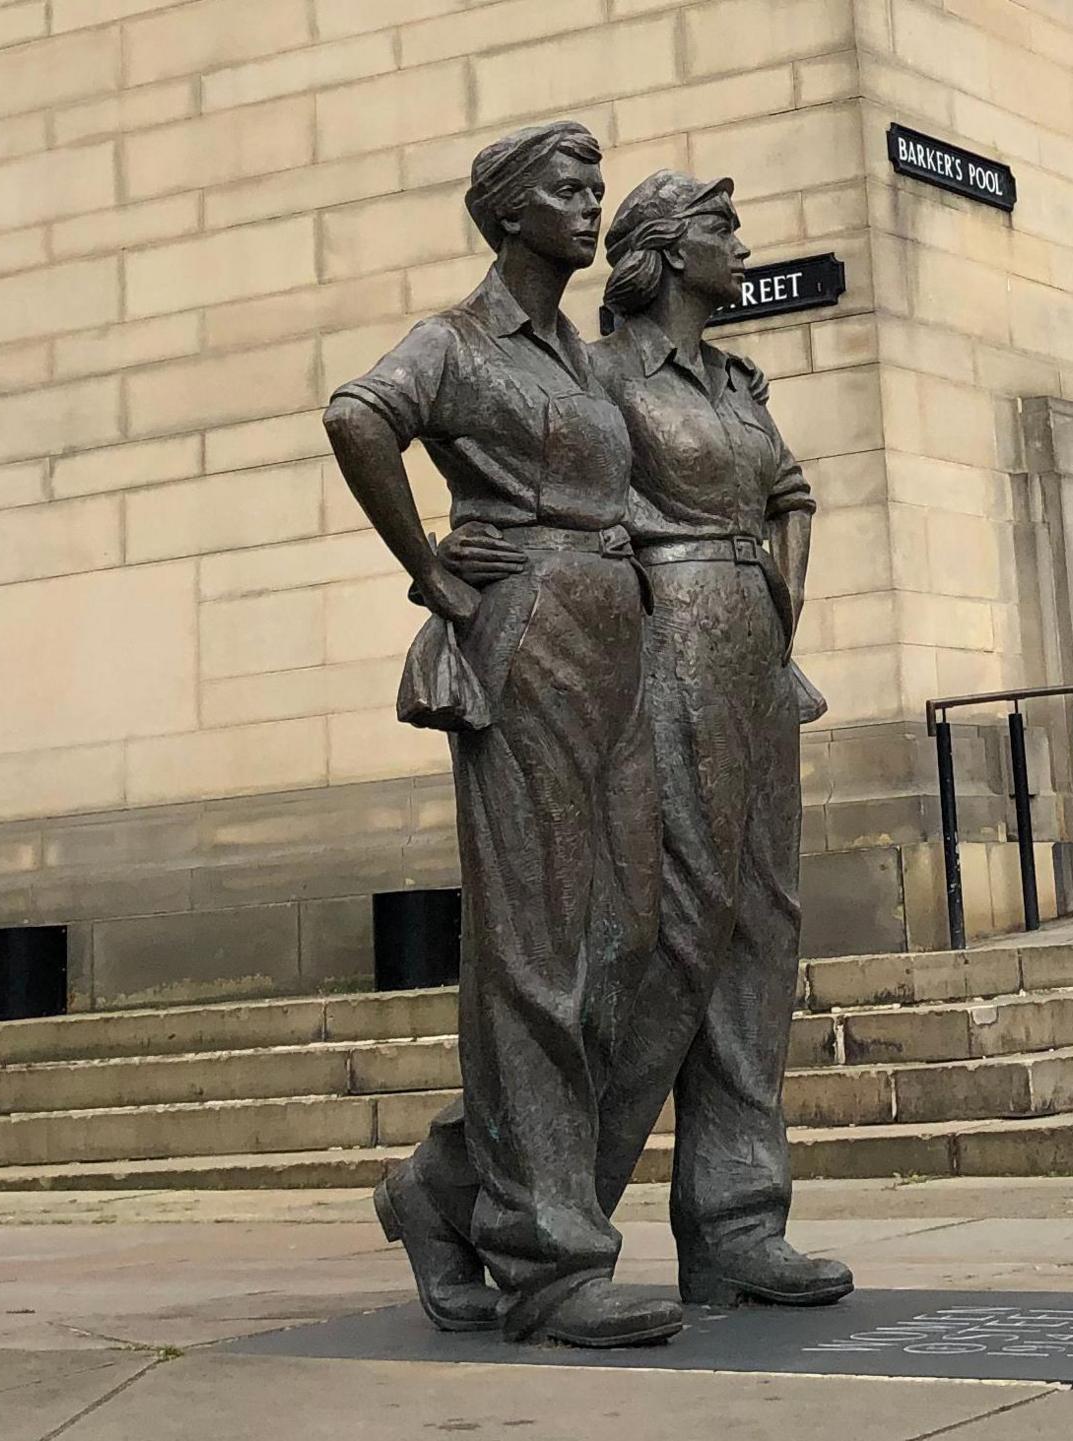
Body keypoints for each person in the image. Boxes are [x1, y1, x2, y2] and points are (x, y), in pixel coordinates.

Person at [442, 170, 850, 1308]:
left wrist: (781, 608)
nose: (742, 240)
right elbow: (545, 487)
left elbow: (794, 493)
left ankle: (735, 1219)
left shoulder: (735, 381)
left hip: (755, 668)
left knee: (756, 936)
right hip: (652, 660)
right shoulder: (601, 372)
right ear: (665, 254)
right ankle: (467, 1183)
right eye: (722, 227)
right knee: (661, 945)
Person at [320, 122, 680, 1349]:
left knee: (629, 947)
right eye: (568, 190)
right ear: (510, 211)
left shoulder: (583, 357)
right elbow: (358, 418)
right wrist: (435, 573)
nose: (592, 207)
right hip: (523, 641)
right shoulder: (460, 341)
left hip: (615, 643)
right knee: (536, 951)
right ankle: (548, 1260)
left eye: (596, 189)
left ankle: (444, 1188)